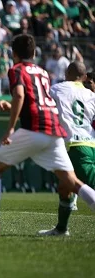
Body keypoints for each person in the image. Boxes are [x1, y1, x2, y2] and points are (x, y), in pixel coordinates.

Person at [0, 34, 95, 238]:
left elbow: (20, 95)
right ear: (35, 53)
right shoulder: (43, 73)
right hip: (55, 132)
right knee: (72, 182)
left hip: (35, 129)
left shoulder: (16, 70)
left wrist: (10, 127)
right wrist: (13, 108)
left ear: (14, 54)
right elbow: (39, 101)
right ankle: (61, 229)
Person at [37, 62, 95, 236]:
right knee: (64, 187)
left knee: (87, 185)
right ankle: (61, 229)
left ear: (65, 74)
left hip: (75, 146)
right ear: (84, 77)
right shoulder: (91, 95)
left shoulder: (56, 89)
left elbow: (43, 107)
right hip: (89, 145)